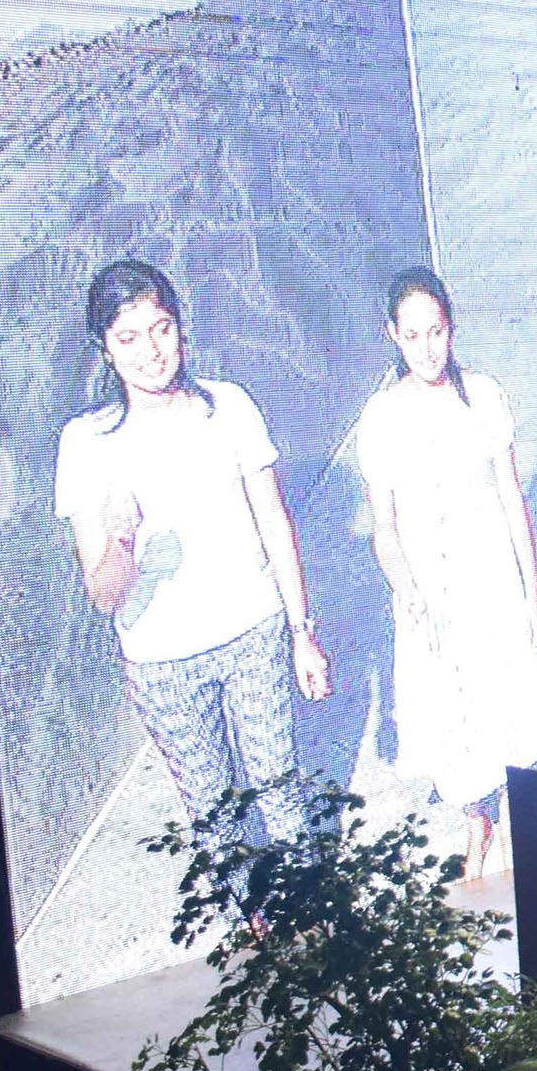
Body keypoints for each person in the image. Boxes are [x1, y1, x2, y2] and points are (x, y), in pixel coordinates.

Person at [55, 260, 329, 882]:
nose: (151, 351)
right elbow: (103, 595)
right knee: (214, 816)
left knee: (281, 794)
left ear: (180, 326)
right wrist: (122, 539)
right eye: (128, 337)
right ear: (104, 347)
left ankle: (312, 917)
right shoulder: (86, 443)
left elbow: (275, 523)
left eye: (161, 328)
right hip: (162, 664)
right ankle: (250, 924)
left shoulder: (228, 406)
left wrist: (301, 633)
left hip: (253, 634)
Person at [357, 267, 537, 881]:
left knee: (508, 710)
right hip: (430, 596)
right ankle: (478, 824)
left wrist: (533, 595)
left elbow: (513, 501)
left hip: (490, 582)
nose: (427, 349)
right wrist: (405, 587)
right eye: (412, 335)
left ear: (452, 327)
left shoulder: (485, 395)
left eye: (437, 331)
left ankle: (522, 841)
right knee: (458, 720)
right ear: (393, 335)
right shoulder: (381, 418)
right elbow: (384, 527)